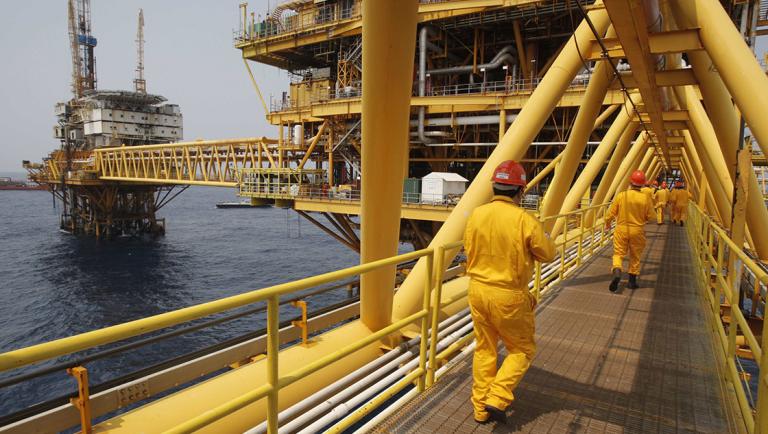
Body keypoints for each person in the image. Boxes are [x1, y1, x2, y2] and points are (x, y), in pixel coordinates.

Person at [464, 160, 556, 424]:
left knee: (485, 349)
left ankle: (480, 409)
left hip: (478, 291)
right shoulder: (524, 220)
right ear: (520, 190)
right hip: (509, 295)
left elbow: (469, 250)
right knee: (522, 350)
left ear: (494, 187)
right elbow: (548, 253)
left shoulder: (476, 215)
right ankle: (498, 396)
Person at [606, 170, 655, 292]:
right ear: (643, 184)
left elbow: (610, 213)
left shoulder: (622, 196)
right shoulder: (645, 198)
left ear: (630, 182)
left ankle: (617, 271)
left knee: (618, 253)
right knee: (635, 256)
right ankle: (632, 282)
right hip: (637, 230)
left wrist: (607, 223)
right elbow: (652, 217)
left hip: (621, 229)